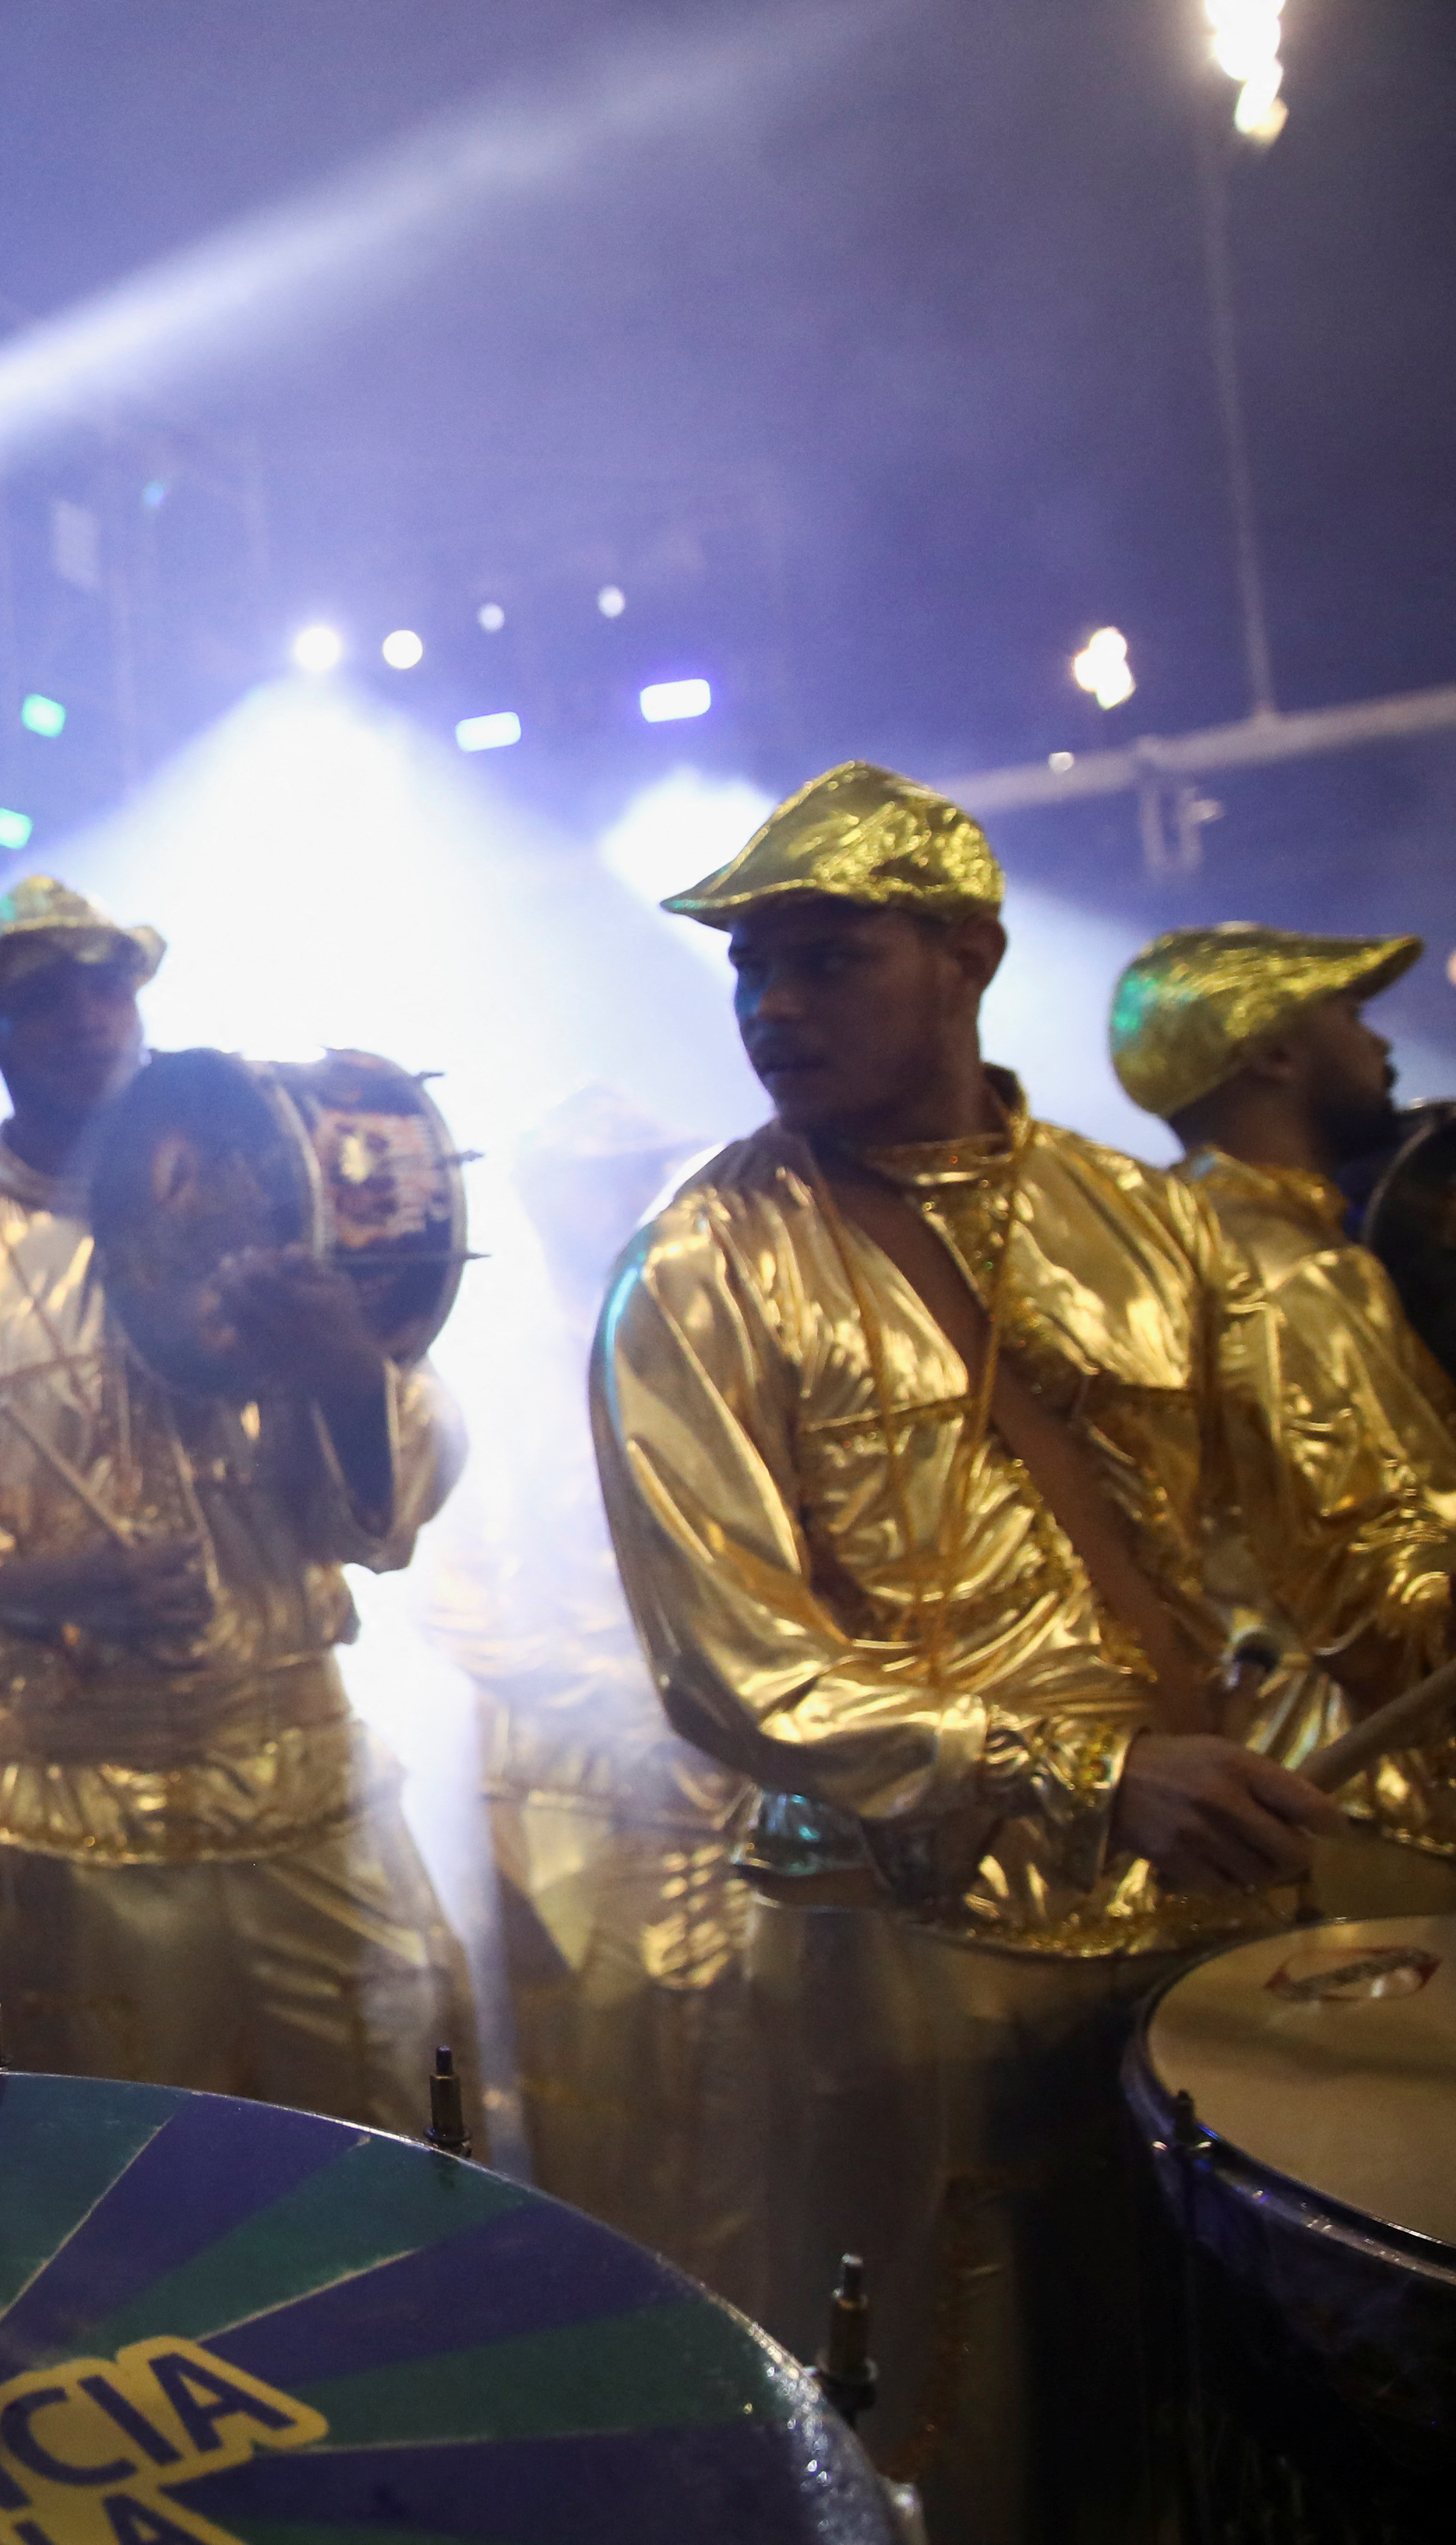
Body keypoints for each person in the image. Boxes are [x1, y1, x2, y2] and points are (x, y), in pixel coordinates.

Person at [592, 764, 1447, 2545]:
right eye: (749, 971)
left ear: (968, 957)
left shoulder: (1150, 1221)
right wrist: (1086, 1770)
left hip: (1211, 1924)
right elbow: (736, 1669)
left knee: (1215, 2423)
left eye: (824, 959)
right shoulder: (696, 1266)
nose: (772, 1008)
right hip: (907, 1957)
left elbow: (1336, 1548)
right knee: (955, 2428)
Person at [0, 874, 476, 2135]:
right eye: (45, 997)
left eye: (110, 985)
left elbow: (397, 1489)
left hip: (306, 1775)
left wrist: (346, 1378)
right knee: (116, 2187)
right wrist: (47, 1584)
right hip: (75, 1809)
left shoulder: (277, 1193)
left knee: (396, 2135)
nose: (88, 1016)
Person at [402, 1087, 770, 2315]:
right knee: (590, 2073)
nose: (626, 1199)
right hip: (562, 1787)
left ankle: (740, 2335)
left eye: (638, 1171)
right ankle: (609, 2318)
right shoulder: (490, 1367)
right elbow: (452, 1593)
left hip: (715, 1769)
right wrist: (612, 1705)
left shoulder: (708, 1342)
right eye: (600, 1176)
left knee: (732, 2066)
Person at [1113, 922, 1456, 1916]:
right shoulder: (1289, 1270)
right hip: (1373, 1777)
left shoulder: (1164, 1246)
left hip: (1259, 1762)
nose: (1382, 1047)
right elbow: (1390, 1571)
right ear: (1272, 1053)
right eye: (1349, 1014)